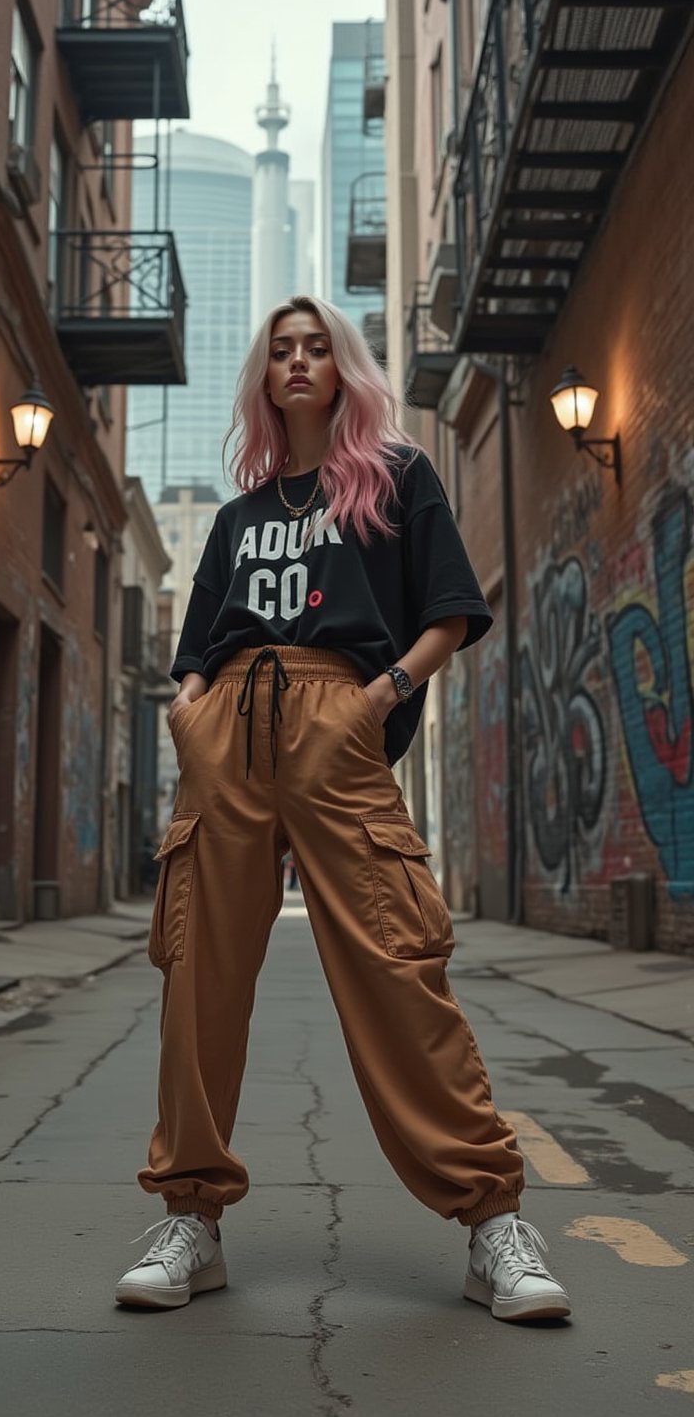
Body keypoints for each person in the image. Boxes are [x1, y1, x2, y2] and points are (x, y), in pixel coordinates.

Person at [115, 295, 571, 1324]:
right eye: (280, 349)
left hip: (339, 725)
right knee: (197, 978)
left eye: (318, 346)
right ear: (264, 377)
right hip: (227, 729)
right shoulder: (237, 519)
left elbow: (451, 613)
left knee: (399, 964)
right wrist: (193, 719)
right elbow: (193, 653)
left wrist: (377, 700)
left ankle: (491, 1220)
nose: (300, 361)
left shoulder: (396, 480)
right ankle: (192, 1217)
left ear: (344, 365)